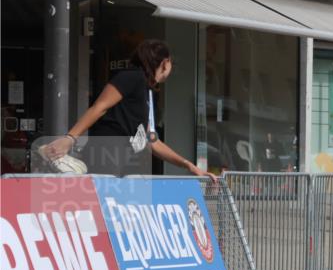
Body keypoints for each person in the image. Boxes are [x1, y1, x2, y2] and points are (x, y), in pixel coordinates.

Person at [43, 39, 214, 179]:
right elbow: (99, 107)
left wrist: (188, 165)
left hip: (121, 162)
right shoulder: (132, 77)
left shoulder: (147, 91)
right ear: (165, 62)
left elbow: (152, 141)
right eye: (171, 63)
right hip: (105, 156)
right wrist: (70, 138)